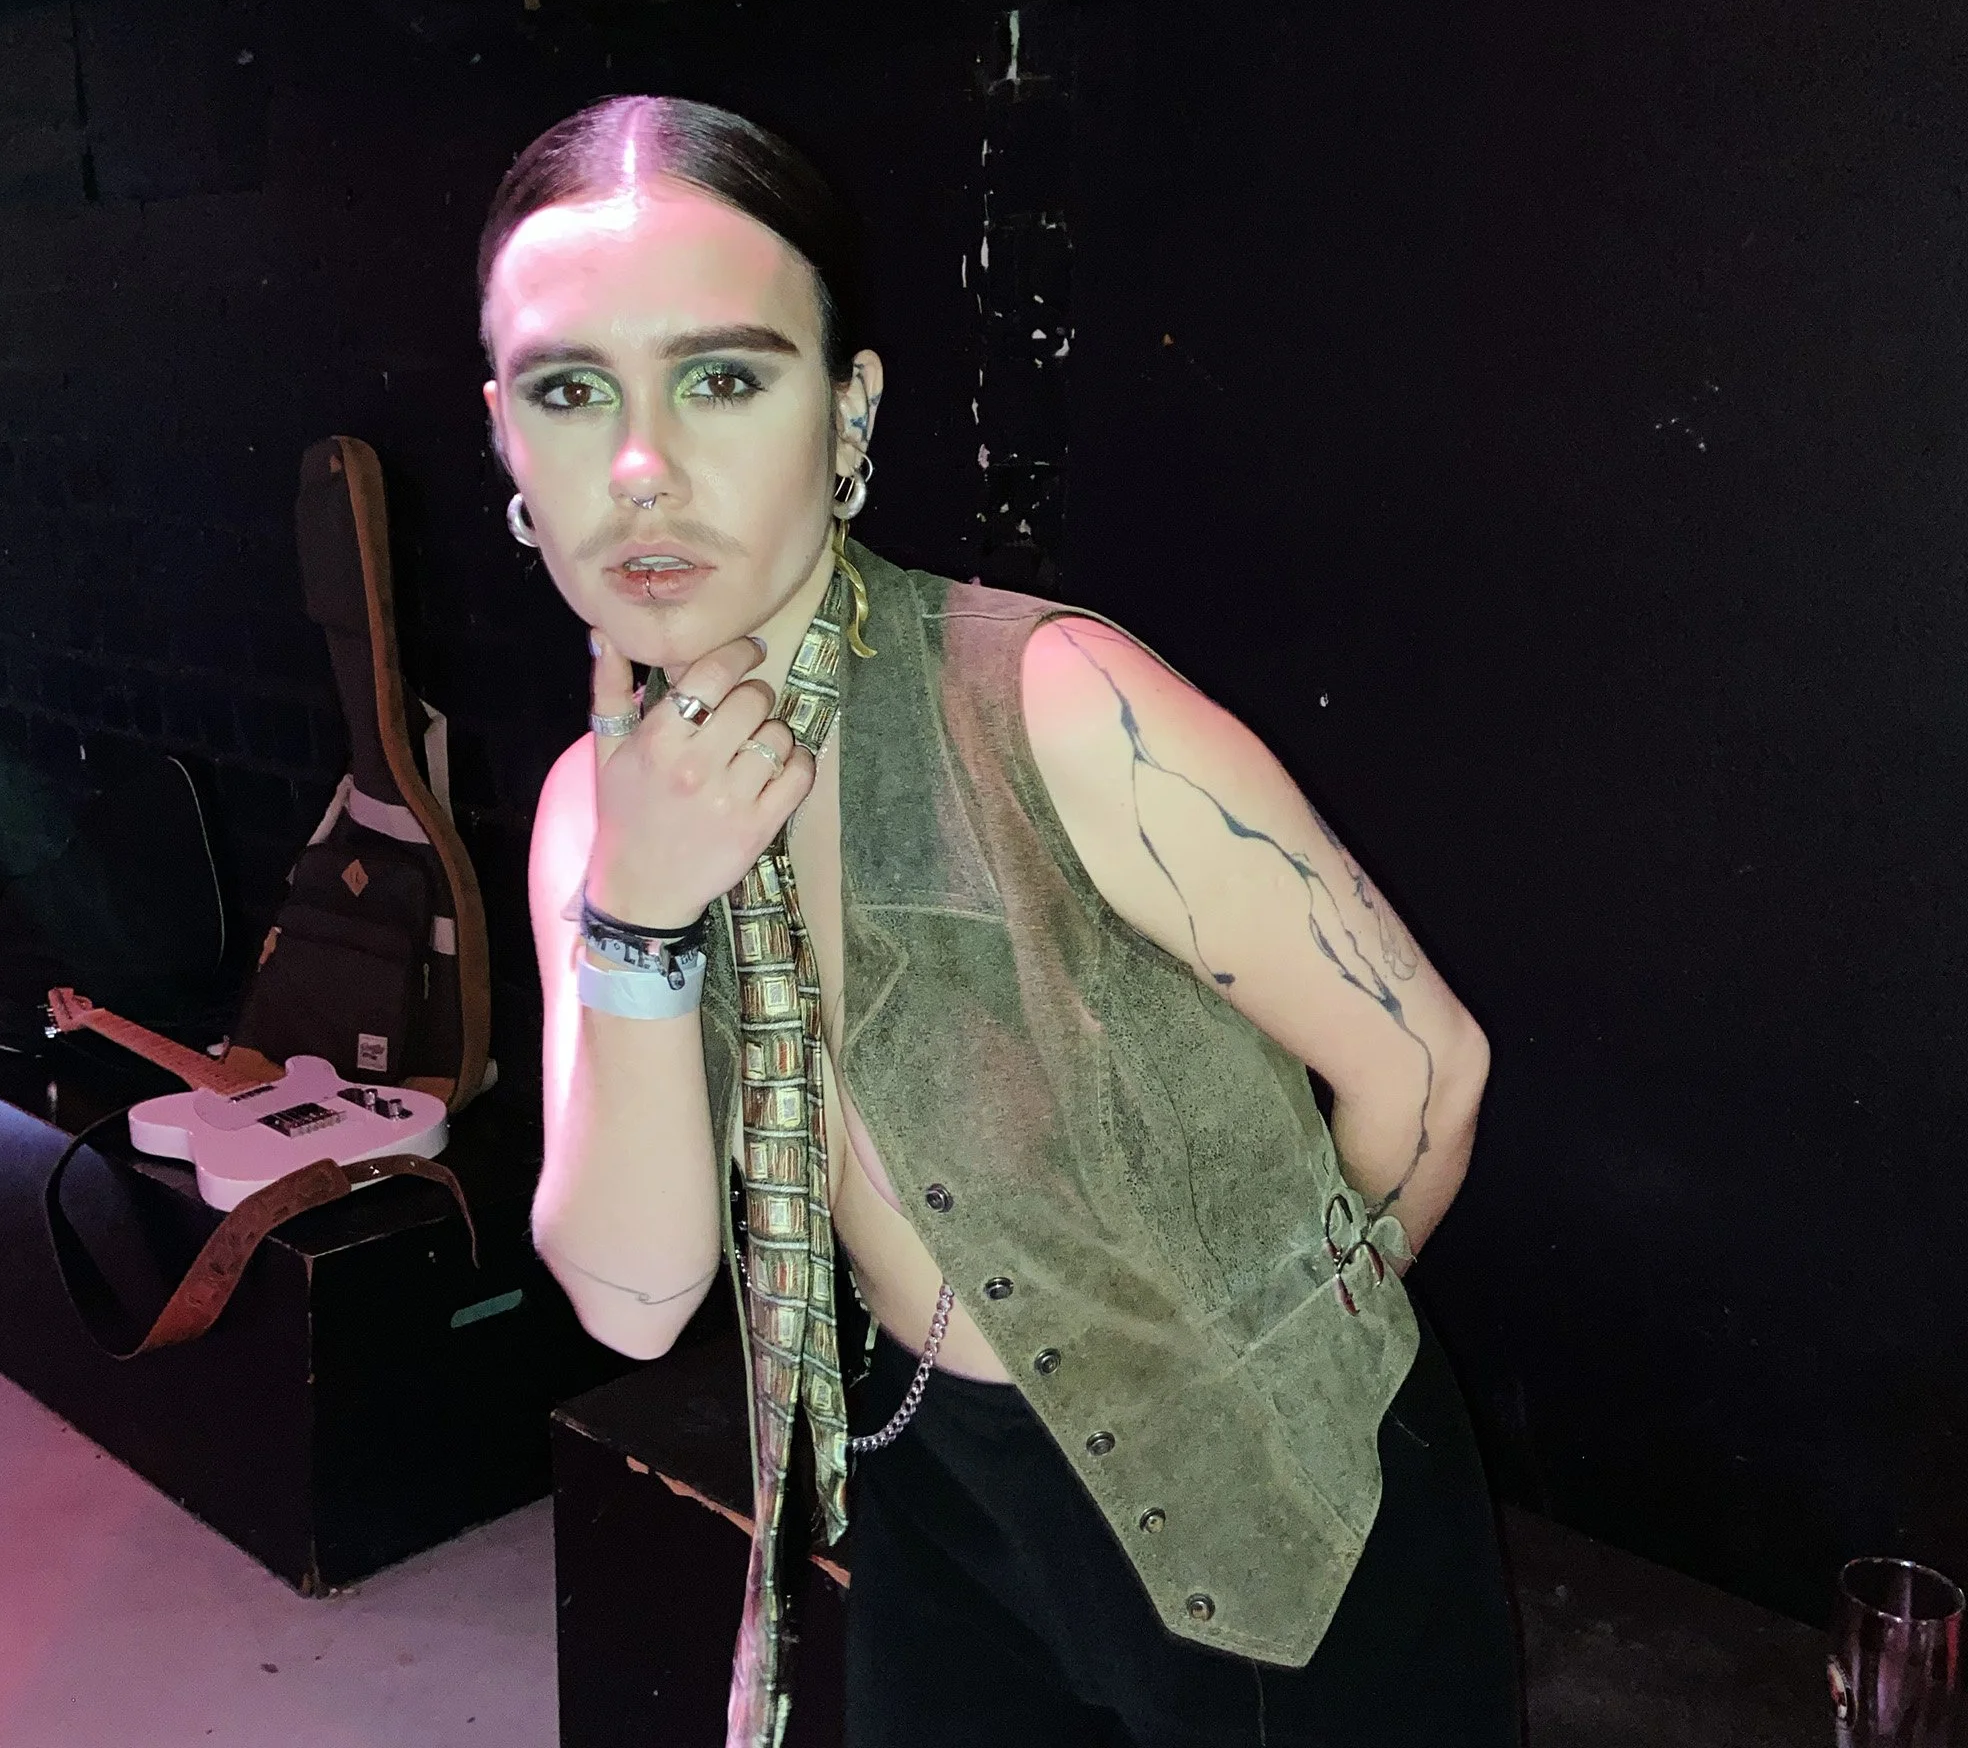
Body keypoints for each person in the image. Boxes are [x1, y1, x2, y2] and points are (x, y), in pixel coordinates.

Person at [482, 94, 1521, 1748]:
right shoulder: (587, 819)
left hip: (1278, 1512)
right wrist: (641, 913)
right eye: (569, 388)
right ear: (505, 439)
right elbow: (632, 1296)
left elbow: (1430, 1075)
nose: (640, 468)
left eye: (725, 378)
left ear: (847, 414)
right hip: (936, 1492)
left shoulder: (1048, 701)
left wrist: (1269, 1366)